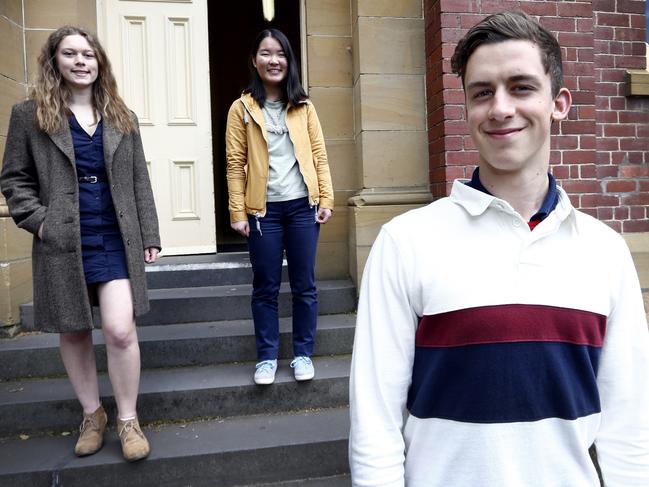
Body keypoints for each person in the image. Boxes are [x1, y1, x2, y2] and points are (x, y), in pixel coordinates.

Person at [349, 11, 649, 487]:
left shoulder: (606, 252)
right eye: (482, 92)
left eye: (522, 87)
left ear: (559, 103)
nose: (500, 108)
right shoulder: (406, 243)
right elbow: (375, 425)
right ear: (466, 107)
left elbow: (630, 430)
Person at [1, 26, 160, 462]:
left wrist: (149, 233)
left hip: (113, 235)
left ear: (99, 61)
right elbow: (15, 179)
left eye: (88, 54)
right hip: (62, 238)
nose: (80, 61)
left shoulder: (121, 115)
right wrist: (41, 222)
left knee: (120, 330)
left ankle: (128, 419)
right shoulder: (28, 115)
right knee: (73, 330)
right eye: (70, 54)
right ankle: (93, 415)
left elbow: (138, 179)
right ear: (55, 61)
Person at [225, 28, 334, 385]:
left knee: (305, 285)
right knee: (265, 287)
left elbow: (319, 155)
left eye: (281, 54)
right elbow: (234, 162)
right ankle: (267, 357)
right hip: (263, 212)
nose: (274, 60)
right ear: (254, 61)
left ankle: (303, 354)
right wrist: (238, 212)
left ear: (290, 61)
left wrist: (326, 199)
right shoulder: (241, 109)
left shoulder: (304, 106)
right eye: (266, 54)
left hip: (303, 207)